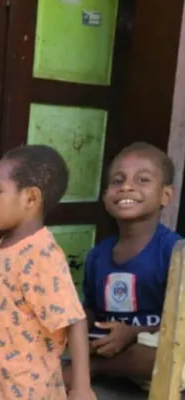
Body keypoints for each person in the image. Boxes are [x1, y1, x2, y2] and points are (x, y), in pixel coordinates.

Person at [0, 145, 95, 399]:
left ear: (31, 199)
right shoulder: (1, 249)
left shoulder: (41, 255)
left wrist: (81, 387)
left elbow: (74, 320)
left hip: (31, 392)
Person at [69, 142, 184, 390]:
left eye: (142, 180)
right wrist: (73, 329)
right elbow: (91, 309)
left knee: (166, 355)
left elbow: (180, 322)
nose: (127, 187)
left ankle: (95, 369)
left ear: (166, 195)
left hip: (149, 351)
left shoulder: (175, 251)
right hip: (108, 345)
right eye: (118, 181)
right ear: (106, 195)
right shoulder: (98, 254)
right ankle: (92, 365)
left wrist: (132, 332)